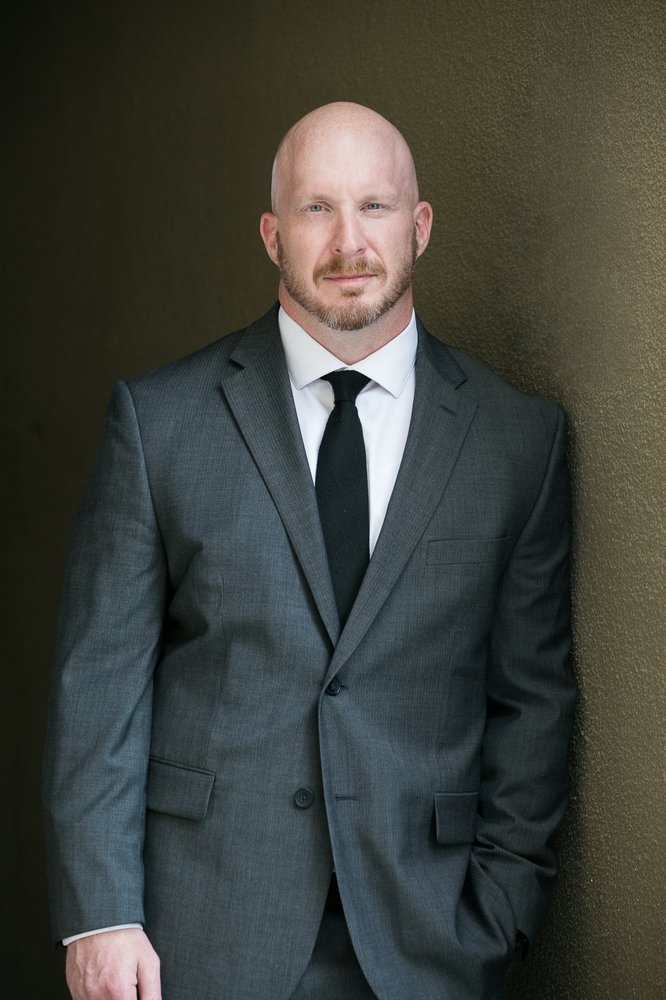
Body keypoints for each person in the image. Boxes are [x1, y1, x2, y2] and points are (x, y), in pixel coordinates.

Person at [43, 101, 576, 1000]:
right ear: (272, 234)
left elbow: (533, 702)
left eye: (374, 206)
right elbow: (100, 686)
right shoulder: (159, 423)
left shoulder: (517, 441)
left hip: (428, 943)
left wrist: (501, 913)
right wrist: (101, 917)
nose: (348, 241)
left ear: (420, 225)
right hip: (197, 937)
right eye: (316, 208)